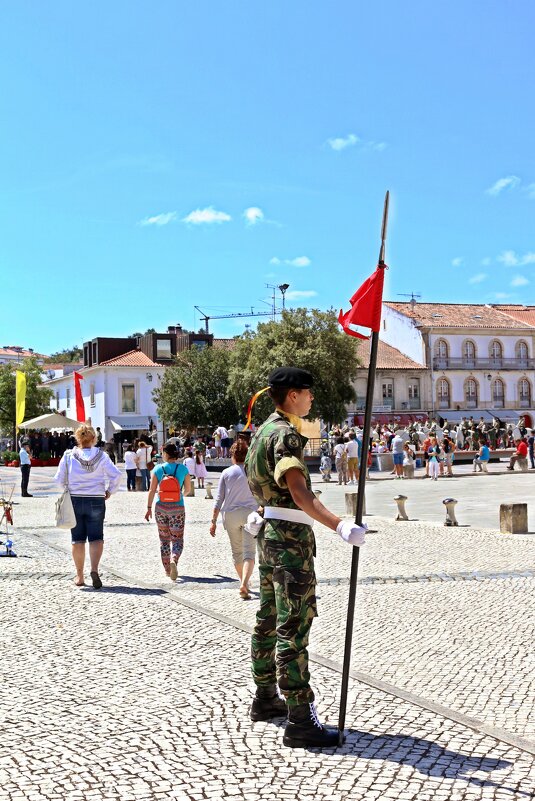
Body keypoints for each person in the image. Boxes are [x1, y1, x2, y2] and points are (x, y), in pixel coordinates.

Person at [244, 367, 366, 749]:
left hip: (268, 535)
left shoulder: (262, 431)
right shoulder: (286, 436)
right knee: (293, 626)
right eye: (308, 393)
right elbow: (298, 492)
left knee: (267, 617)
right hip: (289, 540)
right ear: (293, 395)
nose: (312, 399)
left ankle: (265, 698)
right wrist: (339, 525)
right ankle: (300, 718)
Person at [54, 424, 122, 588]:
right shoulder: (102, 456)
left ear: (78, 438)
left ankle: (79, 576)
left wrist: (67, 489)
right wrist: (109, 491)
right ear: (94, 439)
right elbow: (117, 475)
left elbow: (58, 479)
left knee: (77, 540)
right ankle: (94, 570)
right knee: (96, 537)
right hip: (96, 499)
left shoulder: (69, 455)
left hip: (75, 499)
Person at [209, 439, 258, 599]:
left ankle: (243, 582)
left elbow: (218, 499)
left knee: (237, 552)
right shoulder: (253, 471)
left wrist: (213, 521)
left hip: (230, 516)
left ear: (233, 455)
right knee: (249, 552)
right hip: (250, 514)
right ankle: (245, 583)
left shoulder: (227, 473)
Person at [145, 443, 191, 580]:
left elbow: (152, 490)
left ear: (165, 453)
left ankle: (167, 569)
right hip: (177, 508)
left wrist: (148, 508)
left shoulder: (158, 469)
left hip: (161, 508)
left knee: (164, 540)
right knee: (177, 539)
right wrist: (179, 495)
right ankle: (174, 559)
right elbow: (187, 490)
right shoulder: (183, 469)